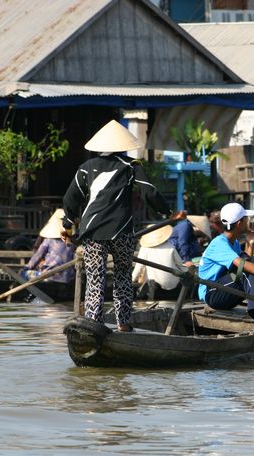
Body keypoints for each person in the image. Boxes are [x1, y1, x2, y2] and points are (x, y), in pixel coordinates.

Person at [62, 120, 184, 331]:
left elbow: (70, 201)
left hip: (93, 232)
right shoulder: (131, 166)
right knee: (122, 277)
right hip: (122, 232)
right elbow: (150, 192)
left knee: (95, 279)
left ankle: (93, 322)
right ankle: (123, 324)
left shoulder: (86, 169)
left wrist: (68, 227)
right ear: (123, 145)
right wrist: (168, 213)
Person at [198, 202, 254, 332]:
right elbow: (242, 266)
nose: (249, 221)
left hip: (226, 289)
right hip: (212, 294)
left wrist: (250, 244)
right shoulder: (219, 243)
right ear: (239, 223)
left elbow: (249, 262)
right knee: (248, 268)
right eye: (246, 219)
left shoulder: (233, 242)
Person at [21, 209, 75, 283]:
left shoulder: (49, 241)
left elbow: (37, 256)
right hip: (66, 277)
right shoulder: (71, 244)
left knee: (23, 274)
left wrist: (26, 268)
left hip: (49, 277)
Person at [133, 224, 185, 295]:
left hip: (153, 285)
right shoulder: (170, 246)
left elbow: (138, 268)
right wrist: (189, 273)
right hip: (173, 285)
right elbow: (181, 265)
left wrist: (132, 280)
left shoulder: (144, 249)